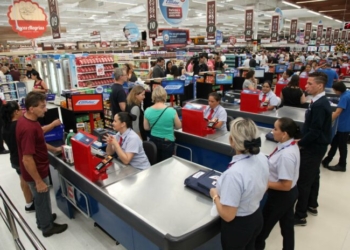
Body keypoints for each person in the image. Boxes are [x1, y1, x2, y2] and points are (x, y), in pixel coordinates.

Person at [210, 117, 269, 250]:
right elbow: (265, 186)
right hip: (256, 216)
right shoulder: (262, 158)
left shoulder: (234, 174)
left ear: (232, 141)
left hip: (238, 228)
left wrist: (215, 195)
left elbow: (228, 215)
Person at [16, 92, 68, 237]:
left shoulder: (28, 121)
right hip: (35, 172)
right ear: (31, 108)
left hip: (36, 169)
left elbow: (39, 143)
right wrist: (38, 181)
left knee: (40, 200)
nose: (46, 109)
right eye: (42, 107)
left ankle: (42, 220)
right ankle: (47, 227)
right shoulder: (28, 128)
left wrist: (55, 149)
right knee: (42, 198)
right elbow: (27, 158)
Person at [2, 101, 61, 212]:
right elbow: (38, 137)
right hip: (23, 160)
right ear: (15, 112)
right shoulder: (20, 125)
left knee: (23, 182)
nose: (22, 111)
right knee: (35, 186)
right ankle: (43, 216)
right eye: (20, 109)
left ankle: (29, 204)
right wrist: (53, 125)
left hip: (14, 159)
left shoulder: (5, 126)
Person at [255, 118, 300, 250]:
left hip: (280, 197)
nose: (272, 131)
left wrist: (266, 183)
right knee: (287, 228)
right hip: (291, 194)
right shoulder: (289, 144)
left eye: (275, 129)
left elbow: (285, 185)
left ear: (284, 133)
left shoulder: (286, 156)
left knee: (260, 233)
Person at [294, 72, 332, 226]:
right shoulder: (317, 101)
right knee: (314, 176)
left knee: (303, 180)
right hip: (317, 146)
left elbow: (315, 131)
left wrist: (300, 142)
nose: (306, 86)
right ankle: (312, 204)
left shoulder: (320, 105)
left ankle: (300, 215)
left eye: (310, 83)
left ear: (320, 85)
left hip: (313, 147)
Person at [144, 86, 182, 163]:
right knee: (166, 165)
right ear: (164, 96)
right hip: (167, 141)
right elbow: (179, 126)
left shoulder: (147, 110)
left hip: (153, 140)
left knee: (155, 164)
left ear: (153, 96)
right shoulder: (171, 111)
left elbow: (146, 128)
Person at [322, 81, 350, 172]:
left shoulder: (344, 97)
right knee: (334, 142)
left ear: (338, 90)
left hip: (343, 125)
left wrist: (328, 121)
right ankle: (327, 159)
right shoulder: (347, 93)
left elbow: (337, 112)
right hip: (346, 122)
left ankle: (342, 165)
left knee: (342, 145)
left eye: (335, 91)